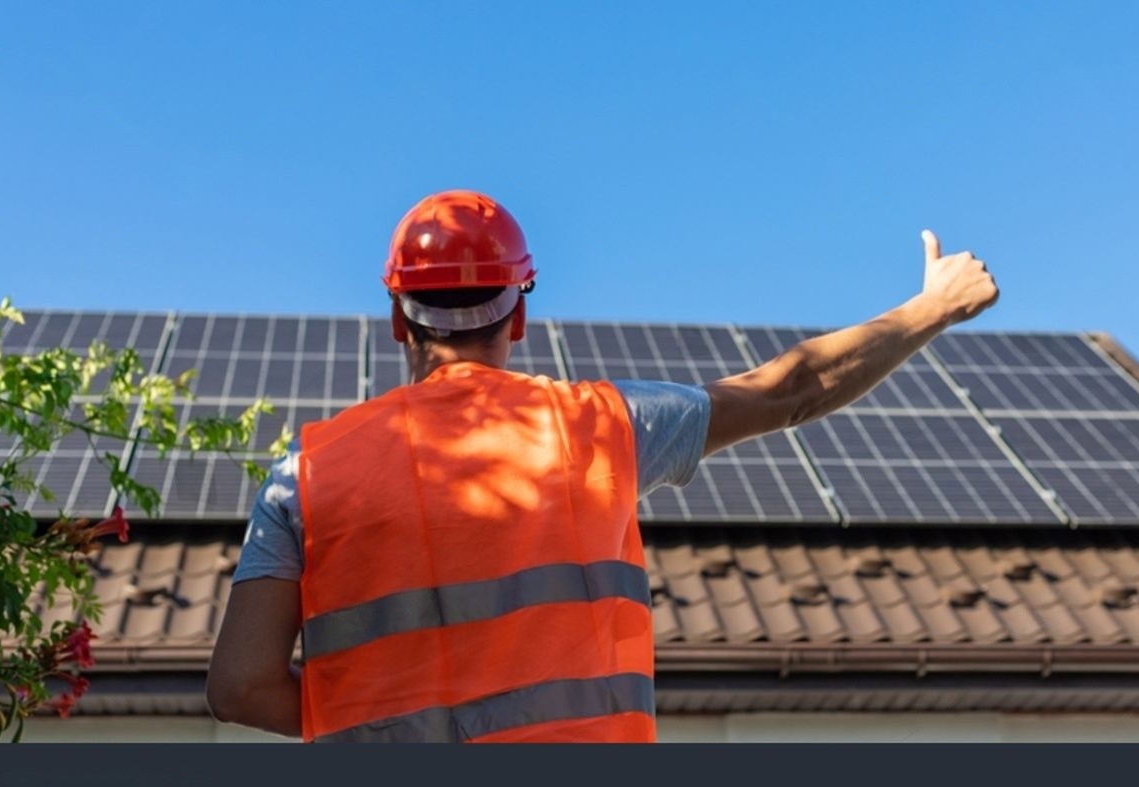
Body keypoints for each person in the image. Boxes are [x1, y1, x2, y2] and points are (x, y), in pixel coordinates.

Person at [206, 189, 998, 742]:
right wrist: (932, 306)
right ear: (519, 313)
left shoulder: (303, 475)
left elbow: (239, 685)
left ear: (394, 318)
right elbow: (791, 388)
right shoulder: (598, 426)